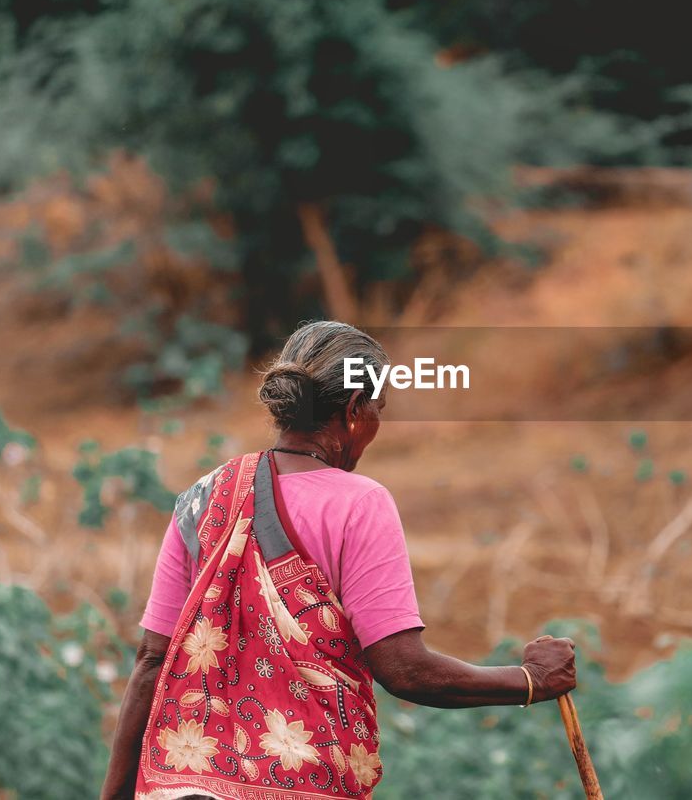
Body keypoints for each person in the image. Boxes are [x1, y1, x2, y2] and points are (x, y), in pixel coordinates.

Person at [101, 320, 577, 799]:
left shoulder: (204, 497)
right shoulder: (359, 502)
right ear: (354, 410)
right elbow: (404, 670)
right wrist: (530, 681)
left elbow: (151, 661)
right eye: (378, 408)